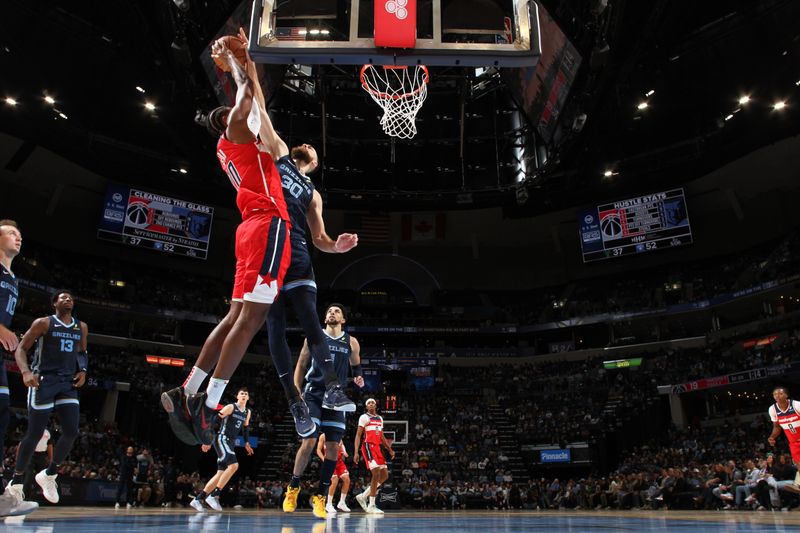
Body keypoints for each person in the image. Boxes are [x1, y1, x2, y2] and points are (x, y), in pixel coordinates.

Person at [283, 304, 364, 519]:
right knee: (309, 440)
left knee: (332, 449)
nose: (332, 313)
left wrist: (358, 375)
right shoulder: (314, 337)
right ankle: (293, 487)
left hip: (336, 397)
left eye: (337, 311)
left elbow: (356, 364)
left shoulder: (351, 342)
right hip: (314, 394)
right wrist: (296, 391)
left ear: (343, 319)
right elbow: (300, 365)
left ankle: (320, 496)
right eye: (329, 311)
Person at [7, 290, 88, 504]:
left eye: (71, 297)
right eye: (63, 297)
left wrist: (83, 370)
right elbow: (21, 348)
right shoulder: (43, 323)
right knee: (34, 434)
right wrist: (25, 371)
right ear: (55, 303)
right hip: (43, 381)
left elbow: (82, 352)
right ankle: (15, 482)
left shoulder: (81, 327)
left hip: (67, 383)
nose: (68, 299)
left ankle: (49, 474)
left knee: (71, 431)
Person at [0, 220, 37, 517]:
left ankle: (2, 494)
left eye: (20, 234)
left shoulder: (12, 277)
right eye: (12, 233)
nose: (18, 237)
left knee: (2, 413)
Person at [191, 388, 253, 511]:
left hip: (230, 443)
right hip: (221, 439)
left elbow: (245, 429)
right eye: (242, 393)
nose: (244, 395)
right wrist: (207, 440)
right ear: (237, 396)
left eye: (246, 394)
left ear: (248, 398)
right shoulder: (230, 407)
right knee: (234, 465)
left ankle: (198, 499)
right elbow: (214, 422)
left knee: (220, 473)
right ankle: (214, 495)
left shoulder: (247, 412)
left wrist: (246, 443)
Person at [353, 398, 395, 514]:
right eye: (368, 403)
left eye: (373, 403)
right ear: (366, 407)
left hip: (377, 448)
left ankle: (363, 496)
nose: (371, 404)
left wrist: (389, 449)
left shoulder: (380, 418)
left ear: (375, 406)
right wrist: (356, 452)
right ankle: (371, 505)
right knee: (375, 472)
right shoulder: (364, 417)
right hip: (368, 446)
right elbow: (358, 435)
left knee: (385, 475)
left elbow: (381, 436)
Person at [768, 386, 800, 489]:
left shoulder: (796, 405)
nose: (777, 395)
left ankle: (798, 483)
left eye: (780, 393)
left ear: (786, 395)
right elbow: (777, 427)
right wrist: (772, 437)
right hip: (793, 442)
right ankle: (799, 483)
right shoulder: (772, 409)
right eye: (775, 394)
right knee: (799, 463)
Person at [318, 433, 352, 514]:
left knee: (347, 480)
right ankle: (329, 504)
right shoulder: (323, 436)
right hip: (329, 461)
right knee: (335, 480)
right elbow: (318, 450)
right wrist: (324, 460)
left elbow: (342, 444)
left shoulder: (338, 434)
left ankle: (342, 503)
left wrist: (344, 451)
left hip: (339, 461)